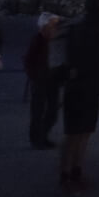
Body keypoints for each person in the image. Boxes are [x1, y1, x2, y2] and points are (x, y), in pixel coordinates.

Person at [60, 0, 99, 196]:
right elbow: (76, 58)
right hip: (78, 89)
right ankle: (65, 176)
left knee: (85, 133)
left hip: (92, 88)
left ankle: (76, 171)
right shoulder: (80, 29)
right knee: (74, 134)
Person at [23, 12, 65, 149]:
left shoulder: (53, 41)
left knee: (52, 111)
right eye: (53, 25)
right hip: (41, 80)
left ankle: (43, 136)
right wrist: (35, 76)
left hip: (52, 79)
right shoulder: (38, 40)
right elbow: (28, 61)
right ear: (44, 27)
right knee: (38, 111)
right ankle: (37, 139)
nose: (55, 28)